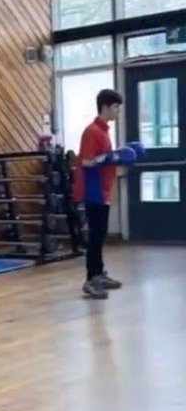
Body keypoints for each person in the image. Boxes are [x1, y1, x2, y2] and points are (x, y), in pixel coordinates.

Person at [73, 88, 142, 300]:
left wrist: (118, 159)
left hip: (103, 190)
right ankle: (91, 280)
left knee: (100, 233)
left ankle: (99, 274)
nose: (117, 111)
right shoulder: (92, 131)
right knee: (96, 235)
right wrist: (111, 158)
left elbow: (105, 160)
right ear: (105, 107)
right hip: (93, 190)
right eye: (115, 107)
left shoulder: (104, 131)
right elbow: (86, 161)